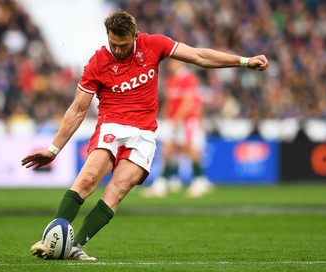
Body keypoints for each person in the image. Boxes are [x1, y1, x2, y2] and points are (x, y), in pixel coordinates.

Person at [21, 9, 268, 261]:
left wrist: (245, 61)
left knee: (117, 190)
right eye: (112, 44)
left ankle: (74, 246)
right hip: (111, 127)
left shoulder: (153, 45)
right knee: (88, 179)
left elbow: (199, 55)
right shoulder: (97, 63)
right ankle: (49, 239)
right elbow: (77, 109)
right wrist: (53, 150)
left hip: (144, 134)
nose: (117, 50)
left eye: (123, 45)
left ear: (135, 36)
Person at [141, 58, 213, 198]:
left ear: (180, 63)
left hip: (185, 121)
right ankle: (163, 183)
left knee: (188, 149)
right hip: (173, 120)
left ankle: (198, 180)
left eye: (173, 62)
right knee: (168, 150)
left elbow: (187, 102)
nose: (170, 65)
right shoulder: (170, 79)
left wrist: (176, 121)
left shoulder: (188, 79)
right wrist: (165, 119)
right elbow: (169, 102)